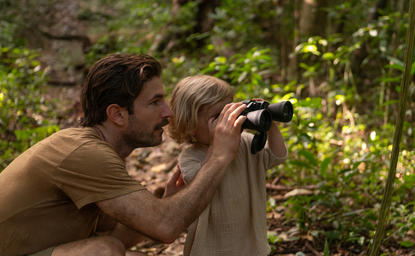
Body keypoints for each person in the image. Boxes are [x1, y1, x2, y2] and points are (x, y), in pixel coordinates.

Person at [0, 54, 248, 256]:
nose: (168, 112)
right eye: (155, 102)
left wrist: (168, 201)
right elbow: (166, 228)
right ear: (117, 114)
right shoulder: (86, 154)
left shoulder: (95, 151)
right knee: (102, 251)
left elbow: (121, 235)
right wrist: (218, 156)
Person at [168, 75, 288, 256]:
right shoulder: (190, 157)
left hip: (249, 242)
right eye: (218, 117)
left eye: (229, 112)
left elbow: (276, 157)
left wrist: (270, 125)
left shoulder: (245, 142)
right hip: (210, 245)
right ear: (190, 124)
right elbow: (198, 185)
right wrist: (218, 147)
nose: (228, 121)